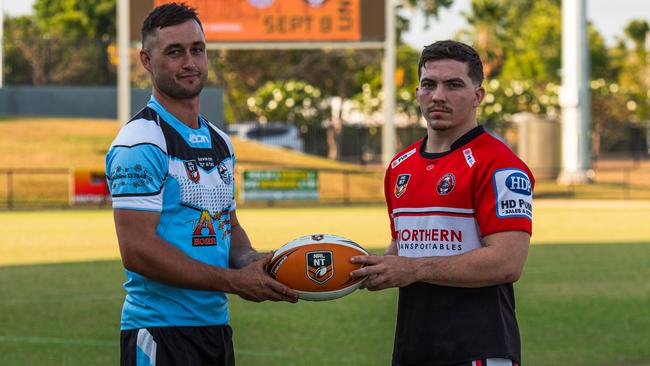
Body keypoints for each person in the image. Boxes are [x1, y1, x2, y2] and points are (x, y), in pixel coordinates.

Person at [105, 3, 298, 365]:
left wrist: (251, 260)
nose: (190, 62)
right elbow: (138, 250)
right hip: (159, 331)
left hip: (215, 328)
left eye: (197, 49)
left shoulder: (220, 141)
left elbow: (228, 225)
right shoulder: (140, 142)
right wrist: (233, 281)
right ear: (147, 60)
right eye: (174, 52)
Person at [350, 40, 534, 366]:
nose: (438, 96)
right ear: (418, 92)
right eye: (428, 84)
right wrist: (364, 268)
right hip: (412, 348)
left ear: (478, 96)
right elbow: (404, 249)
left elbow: (507, 262)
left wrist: (411, 269)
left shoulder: (500, 165)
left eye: (453, 85)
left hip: (478, 349)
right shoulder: (399, 167)